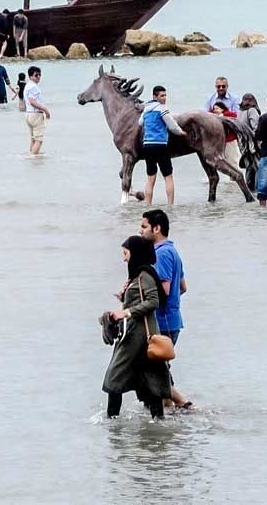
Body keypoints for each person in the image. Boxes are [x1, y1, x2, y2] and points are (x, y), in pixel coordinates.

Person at [101, 234, 170, 419]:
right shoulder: (139, 275)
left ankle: (111, 422)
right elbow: (145, 299)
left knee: (115, 375)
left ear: (135, 253)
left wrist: (127, 312)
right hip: (141, 335)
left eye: (126, 253)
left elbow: (154, 301)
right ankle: (158, 420)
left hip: (137, 336)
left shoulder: (144, 275)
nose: (124, 258)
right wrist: (125, 296)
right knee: (150, 377)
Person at [140, 209, 190, 410]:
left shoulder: (161, 254)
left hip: (163, 323)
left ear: (156, 228)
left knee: (154, 373)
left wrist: (139, 296)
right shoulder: (173, 252)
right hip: (172, 320)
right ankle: (169, 407)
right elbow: (183, 287)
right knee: (160, 370)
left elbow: (165, 290)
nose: (141, 231)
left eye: (144, 227)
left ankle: (183, 403)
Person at [139, 85, 187, 205]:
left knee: (150, 178)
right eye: (162, 96)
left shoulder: (146, 109)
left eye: (165, 95)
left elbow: (140, 123)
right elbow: (172, 126)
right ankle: (170, 205)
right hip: (160, 145)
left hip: (147, 146)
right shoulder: (162, 109)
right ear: (155, 96)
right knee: (168, 176)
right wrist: (181, 132)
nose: (164, 98)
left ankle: (148, 205)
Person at [24, 66, 49, 154]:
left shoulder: (27, 85)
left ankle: (31, 156)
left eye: (39, 75)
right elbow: (32, 101)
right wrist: (45, 110)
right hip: (35, 115)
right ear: (31, 76)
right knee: (39, 140)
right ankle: (33, 158)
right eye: (36, 75)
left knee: (33, 139)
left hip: (28, 114)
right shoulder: (33, 87)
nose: (38, 77)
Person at [211, 101, 242, 170]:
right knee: (226, 160)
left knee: (232, 159)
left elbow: (235, 116)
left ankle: (235, 177)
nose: (215, 110)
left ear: (222, 109)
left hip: (230, 141)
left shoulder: (228, 115)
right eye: (214, 109)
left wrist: (223, 116)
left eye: (217, 108)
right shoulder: (216, 118)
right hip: (223, 142)